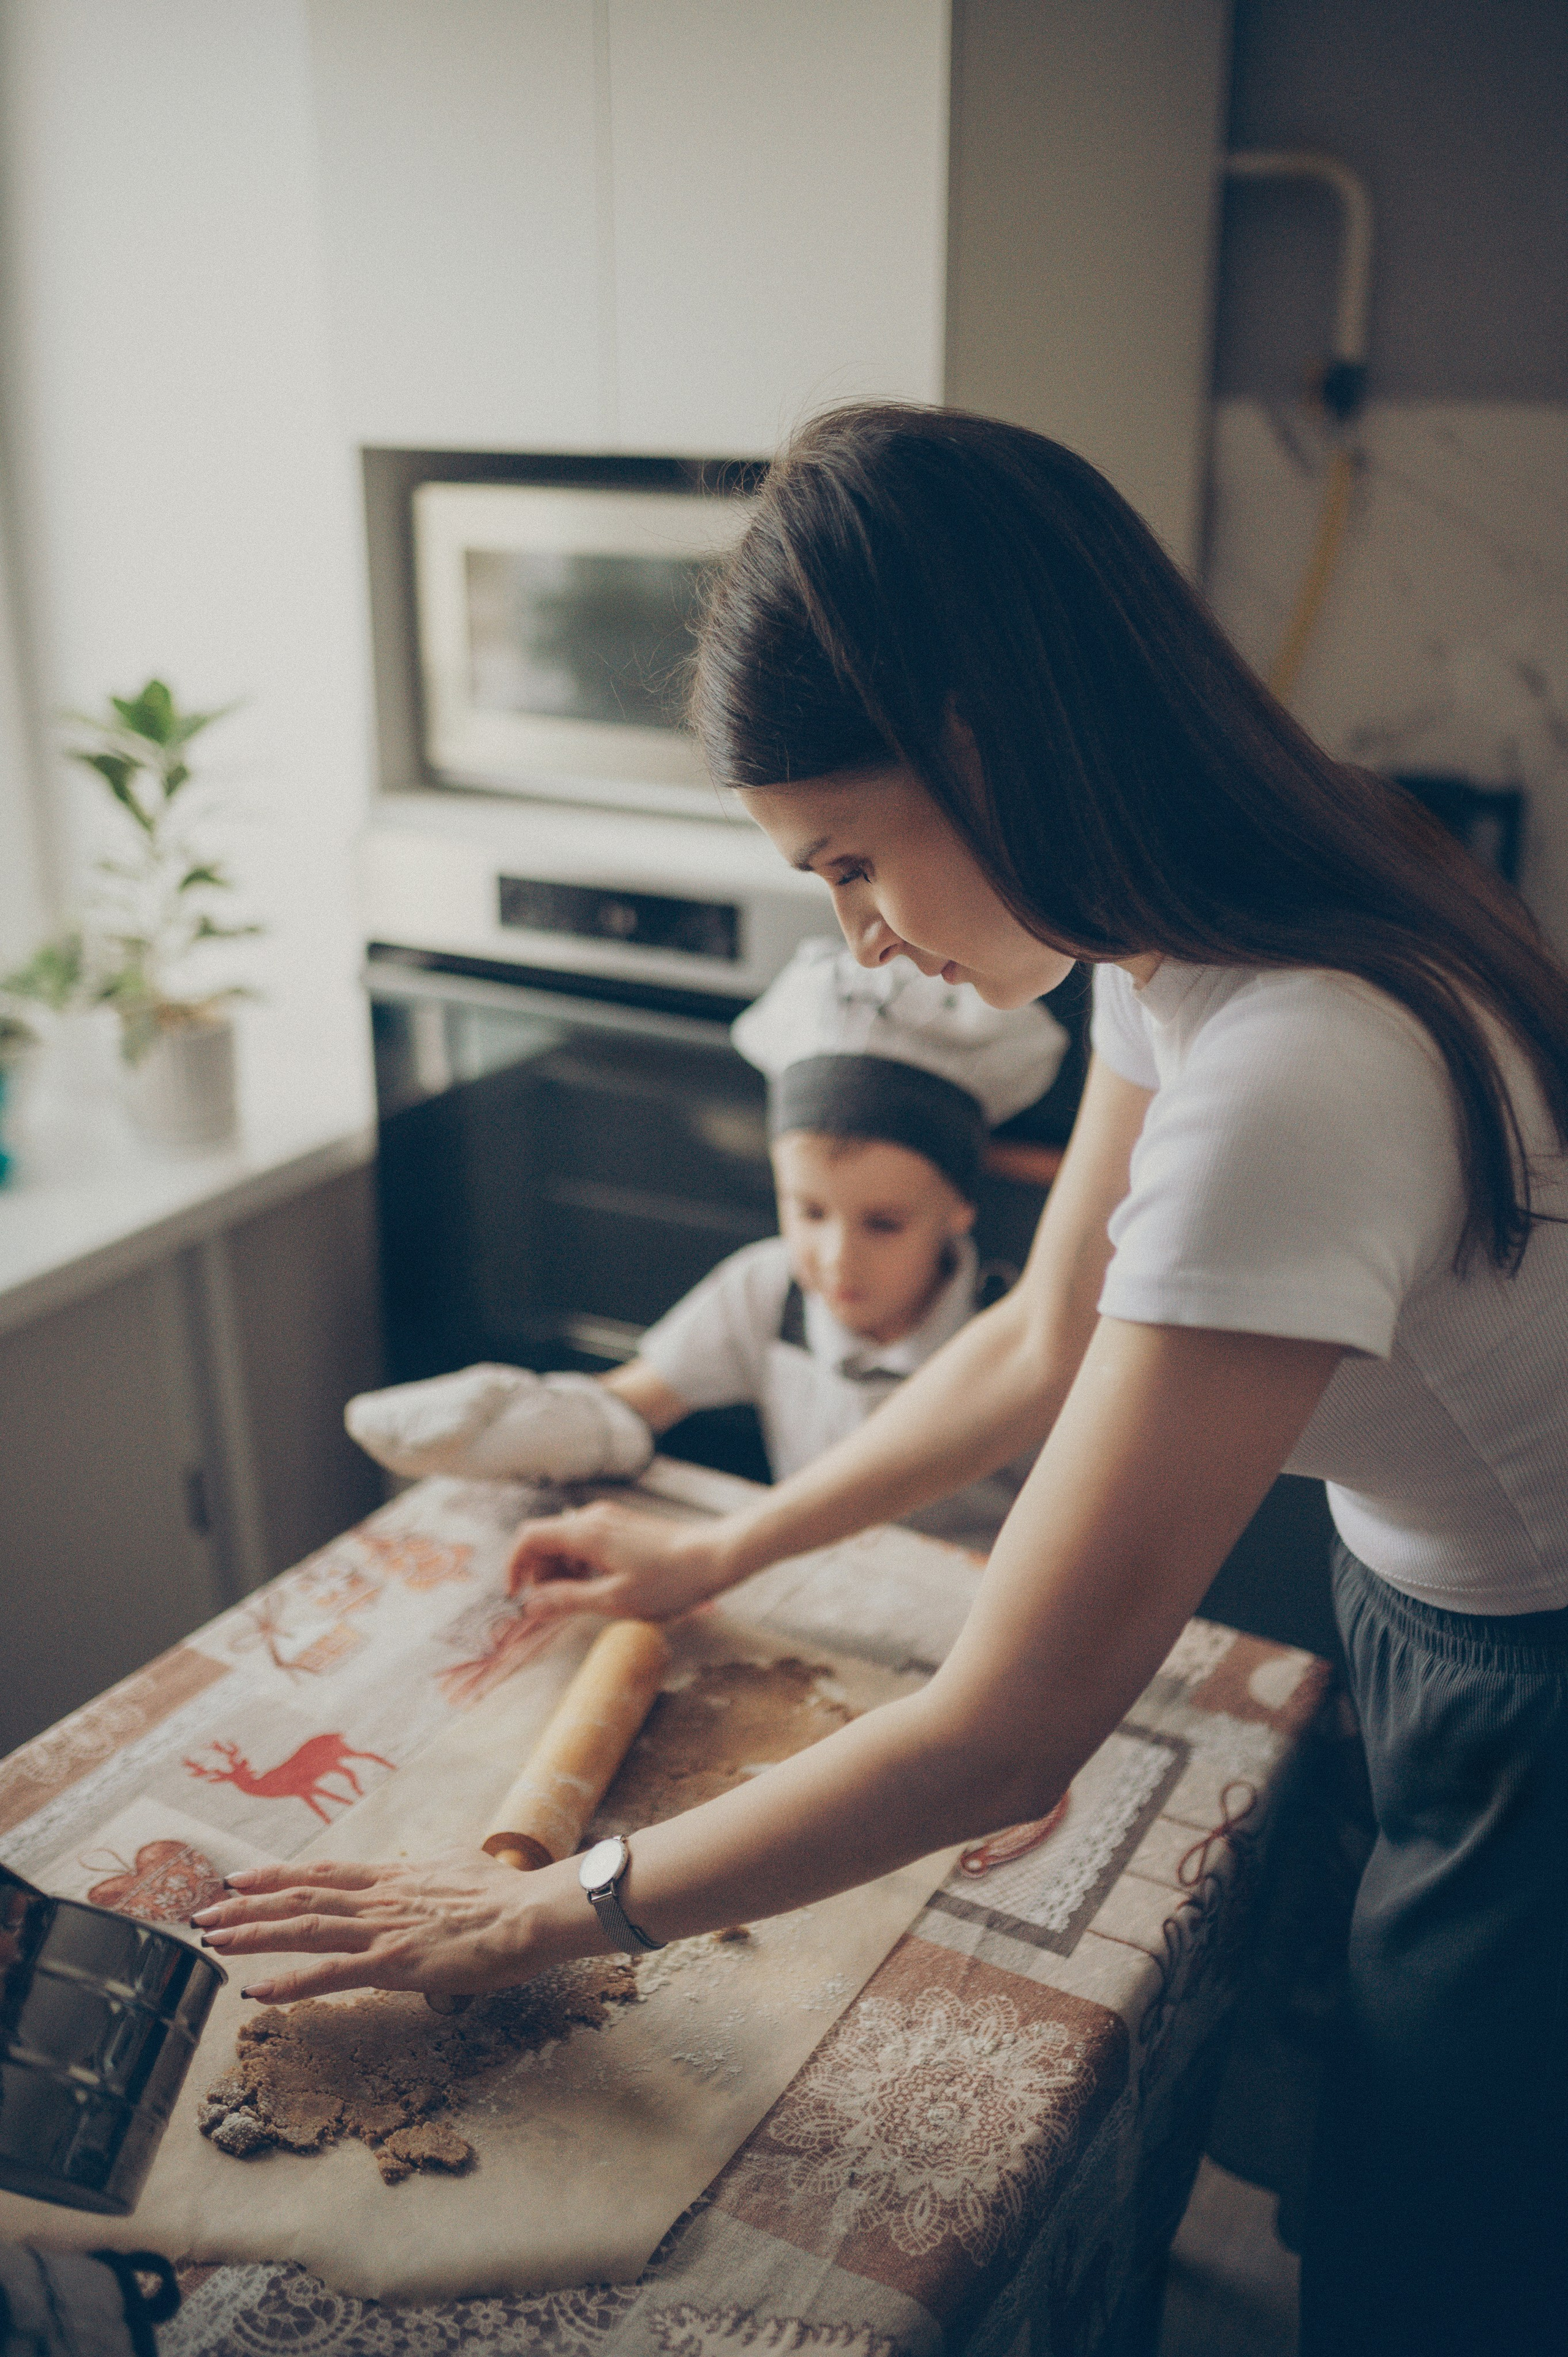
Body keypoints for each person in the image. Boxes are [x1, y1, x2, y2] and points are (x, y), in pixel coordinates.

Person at [196, 405, 1568, 2357]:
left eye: (850, 858)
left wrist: (537, 1910)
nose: (856, 935)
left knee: (1447, 2258)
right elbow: (1040, 1335)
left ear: (984, 741)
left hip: (1539, 1689)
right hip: (1458, 1622)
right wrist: (714, 1550)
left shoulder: (1295, 1071)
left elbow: (1007, 1726)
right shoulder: (1193, 918)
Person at [344, 937, 1064, 1551]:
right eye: (809, 1210)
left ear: (960, 1207)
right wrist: (519, 1421)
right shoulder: (766, 1289)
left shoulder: (1016, 1328)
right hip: (803, 1569)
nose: (837, 1257)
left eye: (883, 1223)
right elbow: (631, 1403)